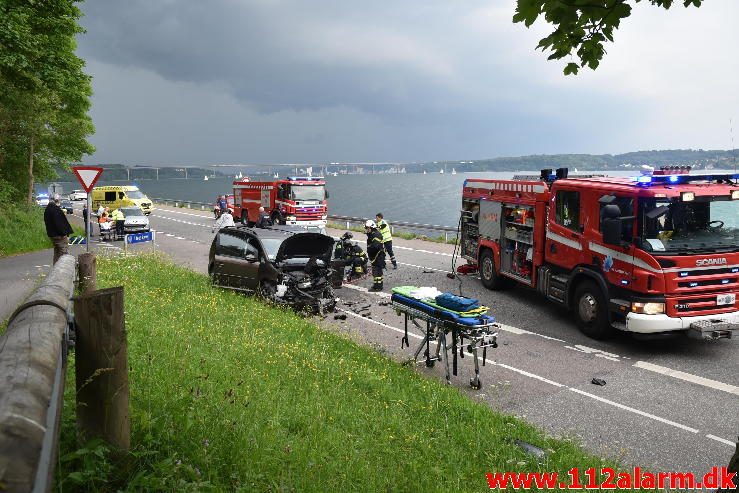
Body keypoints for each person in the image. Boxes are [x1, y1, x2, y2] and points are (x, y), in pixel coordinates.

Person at [44, 194, 73, 264]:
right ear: (56, 200)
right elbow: (60, 224)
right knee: (64, 255)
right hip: (59, 235)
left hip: (52, 235)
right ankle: (63, 272)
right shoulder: (55, 210)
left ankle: (55, 270)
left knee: (57, 254)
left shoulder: (47, 209)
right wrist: (65, 233)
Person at [365, 219, 385, 291]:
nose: (367, 229)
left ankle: (378, 287)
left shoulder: (376, 235)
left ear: (371, 227)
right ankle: (376, 285)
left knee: (378, 272)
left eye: (367, 228)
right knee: (375, 272)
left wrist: (369, 249)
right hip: (375, 256)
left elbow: (375, 247)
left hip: (378, 256)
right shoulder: (372, 234)